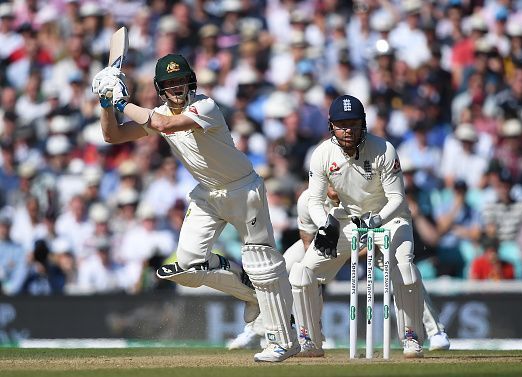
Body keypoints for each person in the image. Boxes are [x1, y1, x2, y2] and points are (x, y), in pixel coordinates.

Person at [91, 54, 298, 362]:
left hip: (243, 189)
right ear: (161, 88)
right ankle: (252, 292)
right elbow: (113, 135)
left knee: (263, 263)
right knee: (188, 263)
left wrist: (123, 101)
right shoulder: (157, 111)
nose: (177, 88)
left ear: (191, 81)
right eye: (170, 83)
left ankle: (284, 340)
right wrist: (107, 103)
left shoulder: (205, 107)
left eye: (181, 81)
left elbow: (165, 124)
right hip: (207, 193)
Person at [228, 186, 451, 353]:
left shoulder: (359, 193)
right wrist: (327, 261)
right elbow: (307, 241)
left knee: (404, 272)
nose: (333, 188)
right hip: (327, 246)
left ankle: (436, 332)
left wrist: (350, 256)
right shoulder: (307, 200)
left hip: (370, 241)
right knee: (284, 265)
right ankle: (261, 330)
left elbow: (373, 237)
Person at [289, 94, 426, 358]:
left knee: (405, 270)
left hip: (389, 219)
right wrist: (325, 224)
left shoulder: (384, 150)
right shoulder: (322, 154)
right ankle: (310, 340)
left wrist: (377, 219)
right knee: (302, 274)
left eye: (353, 123)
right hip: (349, 221)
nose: (348, 130)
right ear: (331, 126)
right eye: (342, 124)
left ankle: (411, 336)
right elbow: (315, 200)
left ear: (363, 123)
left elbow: (398, 198)